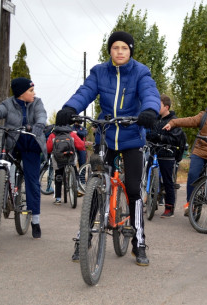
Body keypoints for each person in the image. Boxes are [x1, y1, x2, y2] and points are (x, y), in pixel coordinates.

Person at [56, 31, 160, 266]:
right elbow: (85, 92)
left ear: (130, 50)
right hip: (106, 133)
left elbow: (150, 93)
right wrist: (70, 108)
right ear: (110, 51)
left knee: (133, 189)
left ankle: (139, 243)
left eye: (124, 47)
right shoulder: (99, 72)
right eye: (115, 48)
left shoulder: (140, 72)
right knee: (96, 185)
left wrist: (150, 111)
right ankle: (84, 240)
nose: (120, 51)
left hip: (132, 134)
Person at [0, 77, 48, 239]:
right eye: (31, 91)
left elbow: (41, 115)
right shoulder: (8, 104)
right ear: (21, 93)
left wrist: (40, 124)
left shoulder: (37, 103)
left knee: (32, 180)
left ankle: (35, 220)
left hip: (32, 143)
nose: (34, 93)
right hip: (14, 142)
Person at [163, 93, 207, 223]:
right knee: (192, 174)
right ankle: (189, 202)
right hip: (200, 151)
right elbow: (189, 120)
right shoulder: (203, 116)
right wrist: (173, 123)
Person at [146, 94, 186, 218]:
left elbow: (176, 139)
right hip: (154, 152)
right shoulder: (155, 119)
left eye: (159, 105)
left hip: (167, 153)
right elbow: (149, 133)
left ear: (166, 107)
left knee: (168, 182)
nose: (157, 107)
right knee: (149, 177)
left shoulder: (173, 120)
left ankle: (169, 207)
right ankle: (151, 202)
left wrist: (161, 137)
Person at [46, 126, 85, 204]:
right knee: (75, 171)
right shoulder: (71, 134)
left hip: (58, 159)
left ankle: (58, 199)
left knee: (58, 175)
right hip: (70, 157)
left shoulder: (53, 135)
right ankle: (76, 188)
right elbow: (81, 146)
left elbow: (48, 148)